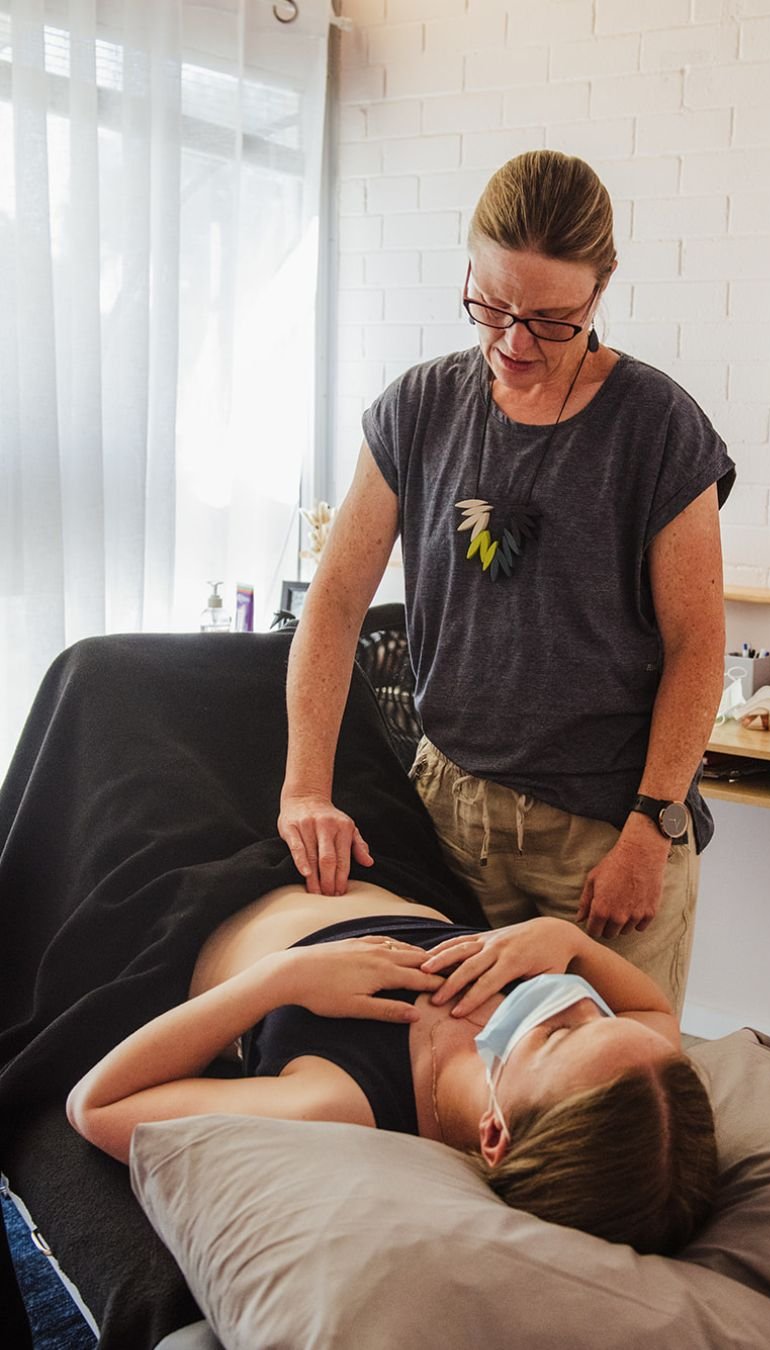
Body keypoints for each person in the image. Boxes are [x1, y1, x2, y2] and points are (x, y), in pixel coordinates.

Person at [278, 150, 734, 1011]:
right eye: (492, 306)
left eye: (552, 319)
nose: (516, 342)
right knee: (451, 1093)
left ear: (601, 292)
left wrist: (653, 826)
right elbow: (334, 606)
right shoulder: (418, 408)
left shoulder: (658, 426)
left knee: (597, 1107)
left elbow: (697, 647)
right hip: (449, 818)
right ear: (468, 271)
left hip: (606, 836)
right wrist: (306, 786)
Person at [67, 880, 720, 1256]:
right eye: (602, 1018)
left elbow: (97, 1106)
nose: (578, 1000)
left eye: (557, 1033)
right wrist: (567, 939)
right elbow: (651, 1008)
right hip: (369, 853)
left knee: (99, 675)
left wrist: (281, 980)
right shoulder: (629, 1074)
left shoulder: (336, 1103)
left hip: (195, 886)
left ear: (495, 1135)